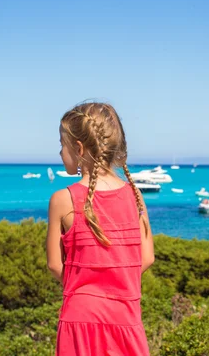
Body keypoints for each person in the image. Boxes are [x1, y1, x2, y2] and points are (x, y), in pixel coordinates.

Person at [46, 102, 153, 355]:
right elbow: (146, 257)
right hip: (125, 316)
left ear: (79, 148)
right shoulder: (135, 195)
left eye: (62, 145)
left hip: (79, 318)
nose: (60, 153)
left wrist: (89, 292)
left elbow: (54, 264)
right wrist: (115, 284)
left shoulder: (63, 199)